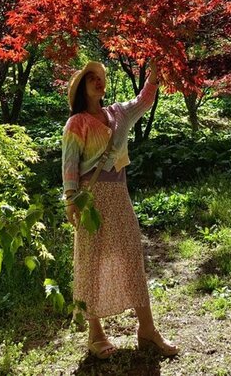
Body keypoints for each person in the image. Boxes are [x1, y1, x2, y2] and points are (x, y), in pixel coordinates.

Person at [62, 58, 179, 360]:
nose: (99, 82)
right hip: (90, 198)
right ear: (82, 88)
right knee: (91, 260)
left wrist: (155, 72)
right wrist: (71, 199)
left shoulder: (118, 113)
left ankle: (147, 330)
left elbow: (144, 100)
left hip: (118, 194)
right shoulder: (76, 123)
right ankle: (95, 333)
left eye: (101, 78)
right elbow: (69, 164)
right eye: (92, 79)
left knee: (130, 254)